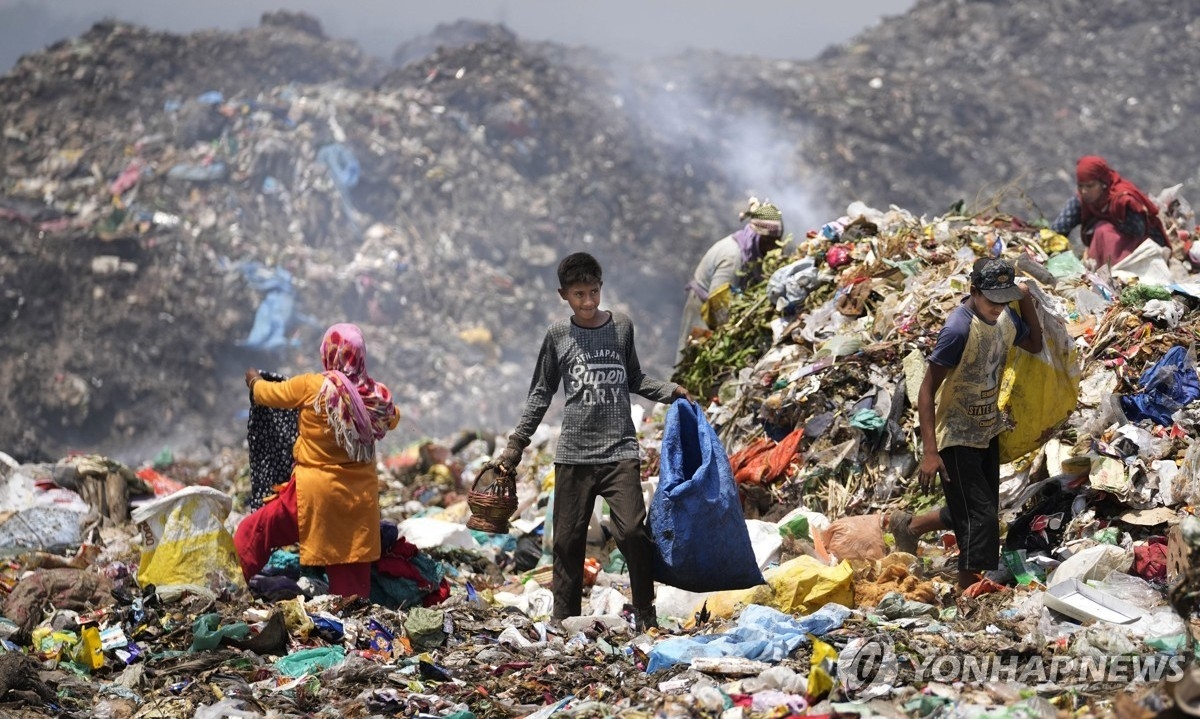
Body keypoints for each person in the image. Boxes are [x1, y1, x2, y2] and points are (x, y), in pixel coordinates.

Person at [491, 252, 693, 631]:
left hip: (620, 449)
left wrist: (670, 391)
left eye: (594, 292)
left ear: (602, 288)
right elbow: (541, 393)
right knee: (567, 541)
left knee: (632, 530)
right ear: (563, 294)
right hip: (574, 453)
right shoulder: (558, 336)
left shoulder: (621, 327)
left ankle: (645, 613)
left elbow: (634, 378)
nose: (588, 302)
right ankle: (563, 620)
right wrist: (516, 443)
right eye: (579, 294)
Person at [888, 257, 1043, 590]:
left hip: (986, 428)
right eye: (991, 301)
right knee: (981, 517)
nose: (997, 308)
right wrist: (931, 452)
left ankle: (911, 527)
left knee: (978, 504)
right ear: (974, 291)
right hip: (956, 434)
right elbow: (927, 390)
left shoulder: (1005, 318)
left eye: (1005, 300)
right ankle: (965, 593)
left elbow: (1035, 344)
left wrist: (1026, 298)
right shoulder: (958, 329)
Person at [235, 323, 400, 598]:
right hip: (358, 502)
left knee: (255, 530)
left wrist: (254, 380)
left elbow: (268, 395)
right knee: (351, 590)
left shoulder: (313, 387)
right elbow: (393, 418)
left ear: (329, 353)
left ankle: (230, 585)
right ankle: (352, 630)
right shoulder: (377, 396)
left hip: (312, 496)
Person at [675, 197, 784, 366]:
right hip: (703, 309)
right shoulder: (733, 258)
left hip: (717, 304)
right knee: (693, 358)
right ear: (756, 237)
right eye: (769, 242)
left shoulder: (750, 252)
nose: (773, 247)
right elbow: (718, 305)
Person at [1049, 155, 1168, 267]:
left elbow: (1139, 230)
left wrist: (1109, 219)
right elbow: (1059, 228)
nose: (1084, 191)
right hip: (1105, 256)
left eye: (1090, 186)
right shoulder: (1082, 201)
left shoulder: (1122, 200)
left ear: (1103, 184)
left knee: (1103, 230)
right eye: (1080, 186)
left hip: (1138, 253)